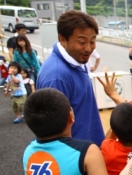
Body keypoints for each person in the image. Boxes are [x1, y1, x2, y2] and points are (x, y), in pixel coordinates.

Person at [36, 10, 105, 147]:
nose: (88, 49)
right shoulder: (56, 77)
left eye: (92, 41)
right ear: (62, 39)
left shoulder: (78, 59)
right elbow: (53, 135)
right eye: (81, 42)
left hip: (89, 149)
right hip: (76, 158)